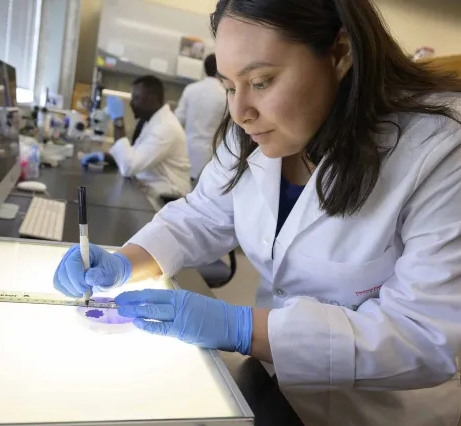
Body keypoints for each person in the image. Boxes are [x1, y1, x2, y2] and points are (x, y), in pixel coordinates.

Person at [55, 0, 461, 425]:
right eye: (229, 86)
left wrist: (242, 328)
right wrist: (125, 261)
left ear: (340, 53)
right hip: (269, 387)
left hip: (377, 413)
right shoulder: (250, 133)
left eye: (261, 81)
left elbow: (422, 335)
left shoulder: (437, 148)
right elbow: (202, 214)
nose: (240, 112)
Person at [81, 75, 191, 198]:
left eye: (136, 98)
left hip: (169, 200)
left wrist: (118, 121)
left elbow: (129, 167)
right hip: (152, 192)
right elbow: (135, 155)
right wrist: (106, 157)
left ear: (152, 98)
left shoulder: (166, 128)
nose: (131, 104)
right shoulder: (152, 122)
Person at [175, 53, 227, 179]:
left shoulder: (190, 89)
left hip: (185, 152)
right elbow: (228, 130)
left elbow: (177, 119)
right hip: (209, 156)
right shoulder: (226, 95)